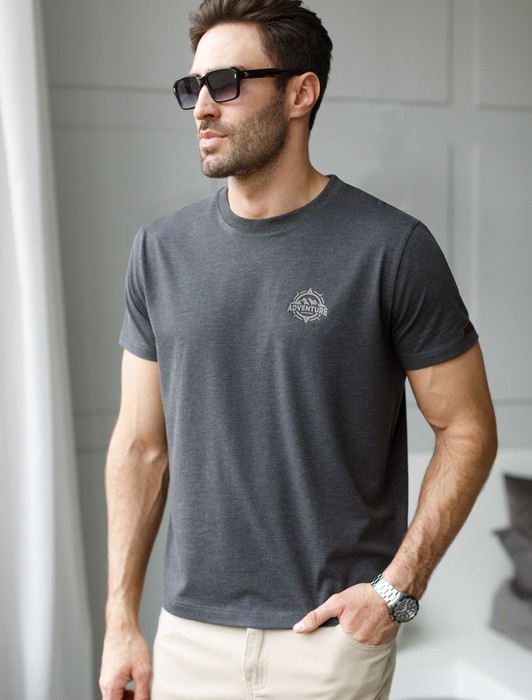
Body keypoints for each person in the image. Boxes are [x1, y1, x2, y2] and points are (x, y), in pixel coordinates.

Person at [99, 1, 498, 698]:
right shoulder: (159, 252)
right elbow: (140, 447)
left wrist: (396, 591)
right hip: (188, 636)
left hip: (330, 642)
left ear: (300, 93)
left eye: (226, 83)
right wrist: (120, 619)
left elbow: (467, 427)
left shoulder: (391, 249)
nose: (202, 108)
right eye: (193, 87)